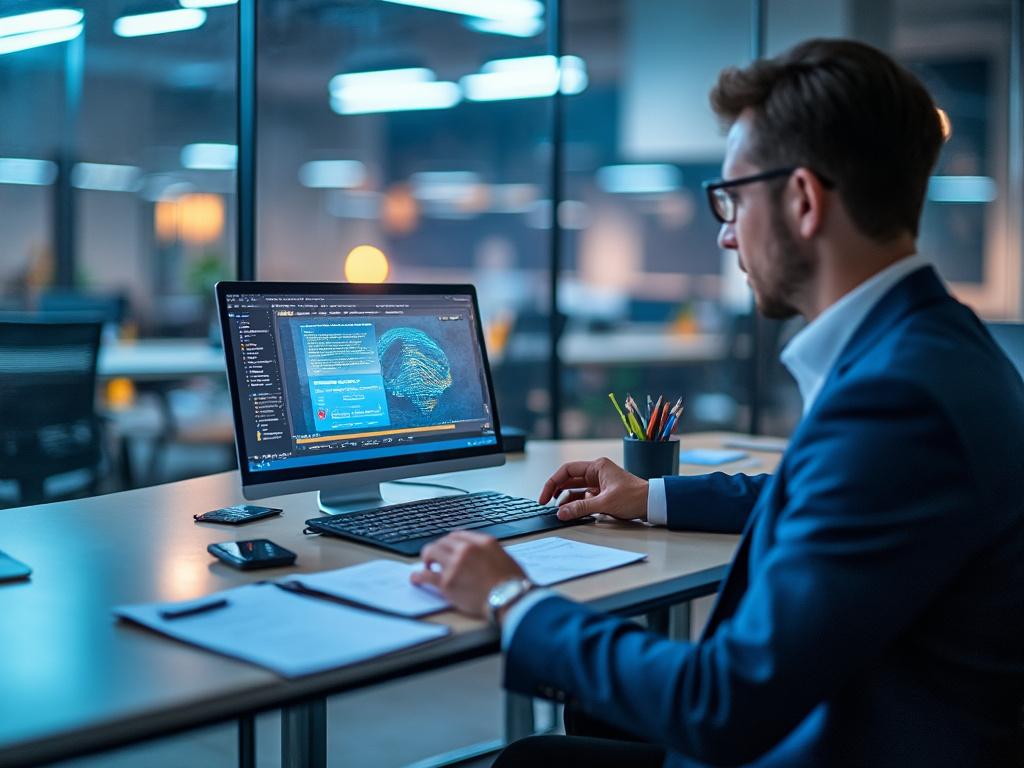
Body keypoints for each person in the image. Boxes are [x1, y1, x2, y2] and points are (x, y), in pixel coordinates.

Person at [411, 38, 1024, 767]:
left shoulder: (897, 397)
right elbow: (822, 502)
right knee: (589, 715)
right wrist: (652, 496)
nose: (727, 233)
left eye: (732, 199)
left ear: (802, 200)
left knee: (530, 761)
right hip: (879, 713)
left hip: (839, 740)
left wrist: (515, 602)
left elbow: (720, 703)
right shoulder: (942, 346)